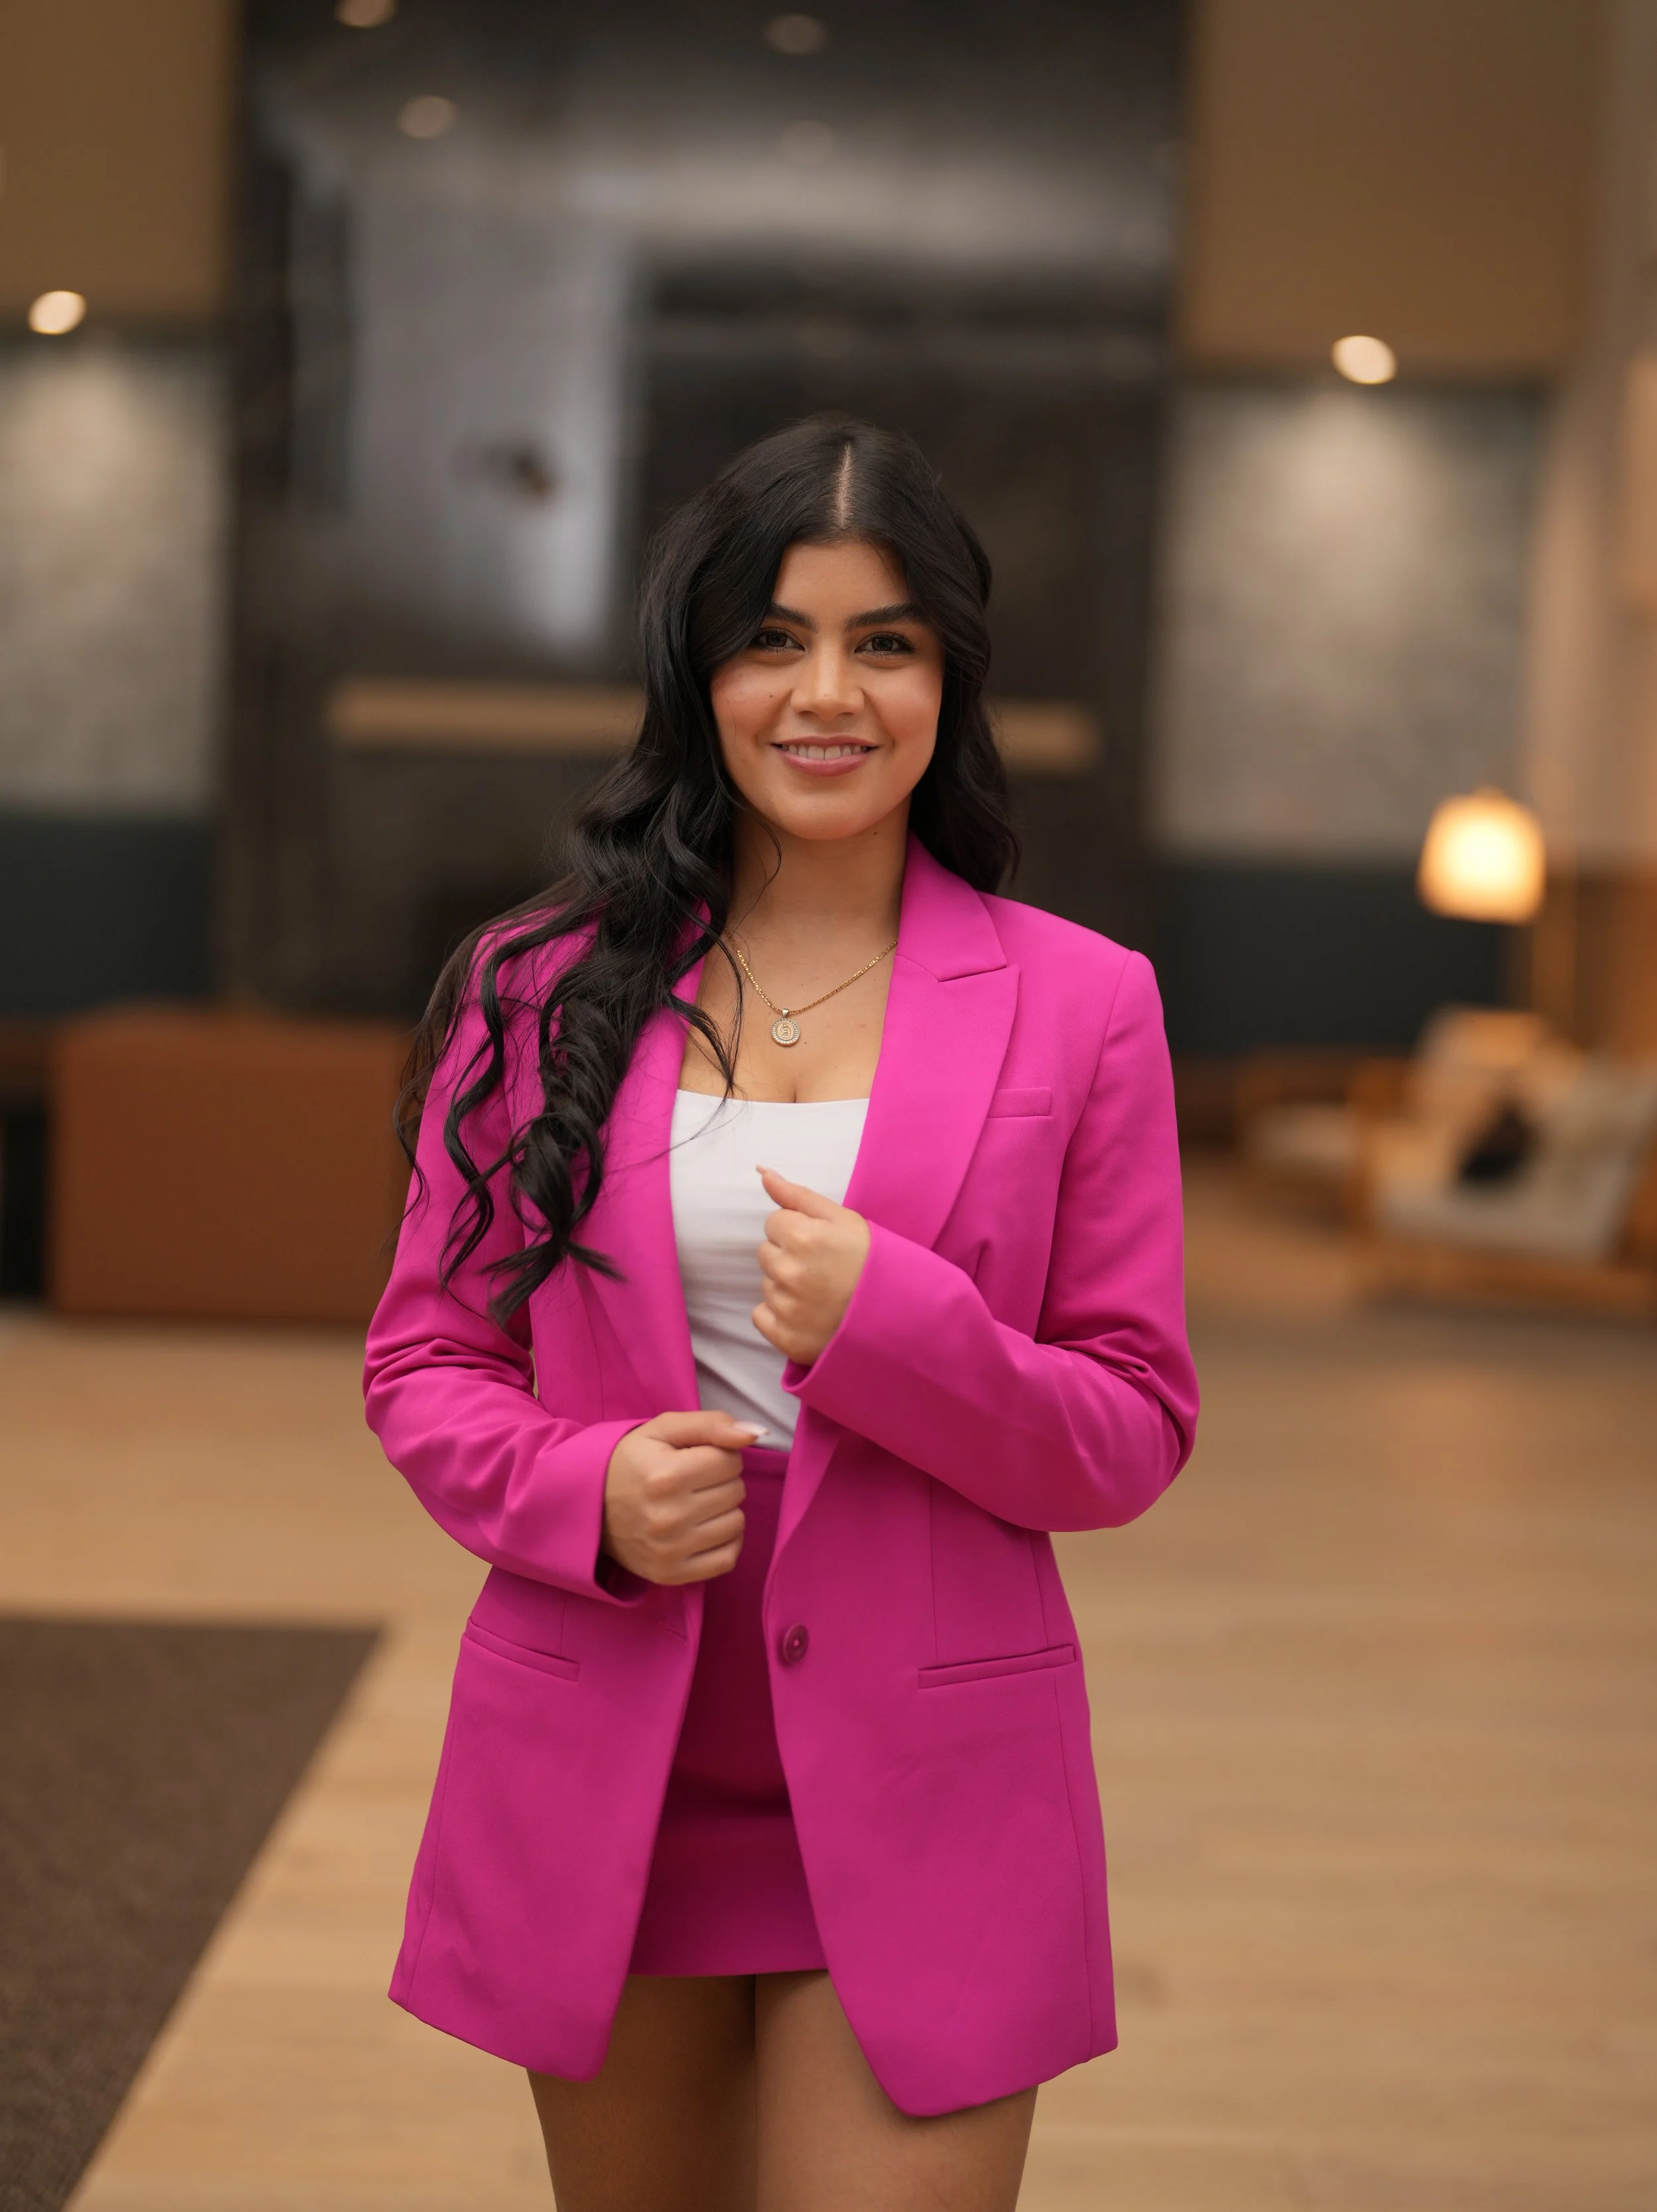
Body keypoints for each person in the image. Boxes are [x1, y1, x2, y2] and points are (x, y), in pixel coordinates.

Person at [363, 416, 1199, 2211]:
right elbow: (426, 1358)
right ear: (701, 673)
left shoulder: (1083, 1005)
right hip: (610, 1771)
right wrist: (576, 1491)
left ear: (946, 678)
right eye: (774, 638)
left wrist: (900, 1326)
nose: (827, 695)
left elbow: (1129, 1427)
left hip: (931, 1789)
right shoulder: (536, 988)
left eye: (882, 643)